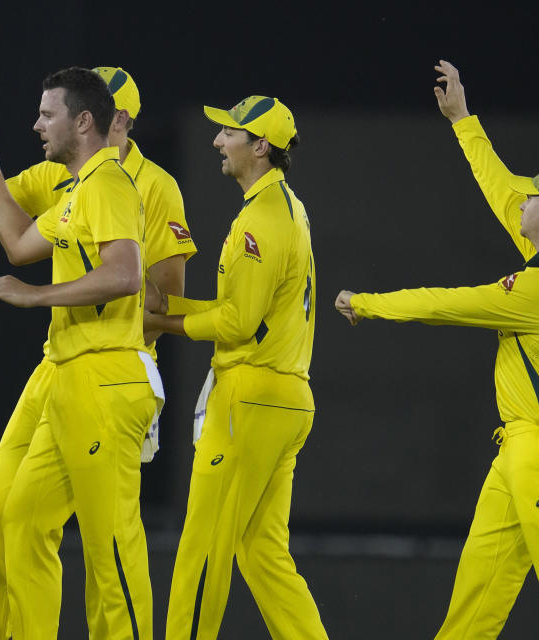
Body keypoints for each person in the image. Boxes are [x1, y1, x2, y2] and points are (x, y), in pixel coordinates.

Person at [334, 60, 539, 639]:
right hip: (529, 444)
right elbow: (502, 189)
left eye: (531, 196)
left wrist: (366, 303)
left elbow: (445, 304)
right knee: (479, 590)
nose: (518, 199)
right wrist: (462, 120)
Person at [0, 67, 195, 639]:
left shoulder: (118, 184)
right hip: (67, 367)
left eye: (47, 114)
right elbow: (18, 242)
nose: (37, 123)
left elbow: (133, 282)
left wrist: (36, 295)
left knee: (111, 550)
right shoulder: (74, 183)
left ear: (91, 120)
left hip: (107, 373)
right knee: (14, 518)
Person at [145, 96, 327, 640]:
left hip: (250, 398)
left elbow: (238, 323)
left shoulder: (261, 220)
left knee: (204, 546)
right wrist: (170, 307)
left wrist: (162, 323)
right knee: (261, 550)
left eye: (228, 133)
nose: (217, 141)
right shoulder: (287, 208)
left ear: (261, 147)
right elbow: (248, 314)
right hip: (285, 398)